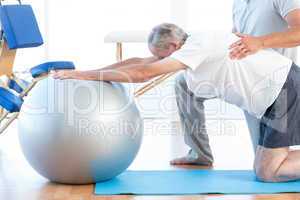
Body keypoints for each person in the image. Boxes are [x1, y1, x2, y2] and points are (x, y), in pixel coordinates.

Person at [53, 23, 300, 182]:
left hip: (284, 91)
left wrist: (84, 76)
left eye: (160, 56)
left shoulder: (198, 46)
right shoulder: (194, 42)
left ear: (172, 46)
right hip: (273, 98)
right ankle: (201, 154)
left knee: (268, 172)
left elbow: (143, 73)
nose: (156, 60)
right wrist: (89, 70)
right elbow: (140, 62)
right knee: (265, 169)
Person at [171, 0, 300, 166]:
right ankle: (199, 153)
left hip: (275, 87)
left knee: (270, 167)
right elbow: (235, 38)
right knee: (184, 82)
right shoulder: (239, 3)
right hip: (245, 80)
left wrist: (260, 42)